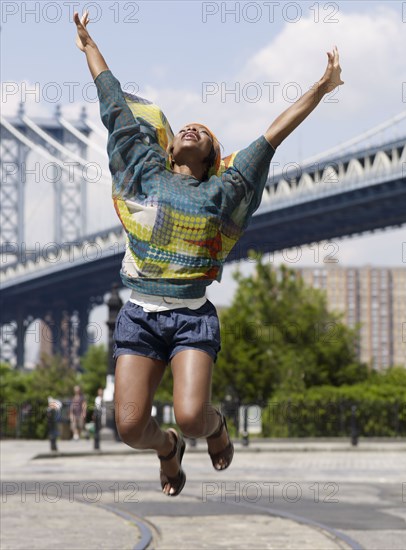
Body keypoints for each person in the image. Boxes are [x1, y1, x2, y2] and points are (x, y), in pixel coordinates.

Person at [74, 11, 343, 496]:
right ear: (171, 147)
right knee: (131, 428)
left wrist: (321, 89)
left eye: (204, 131)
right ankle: (167, 449)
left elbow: (271, 136)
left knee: (194, 415)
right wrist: (90, 47)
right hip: (139, 314)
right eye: (186, 128)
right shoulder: (143, 171)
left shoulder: (223, 193)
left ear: (213, 157)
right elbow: (113, 104)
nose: (193, 128)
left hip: (191, 316)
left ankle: (215, 429)